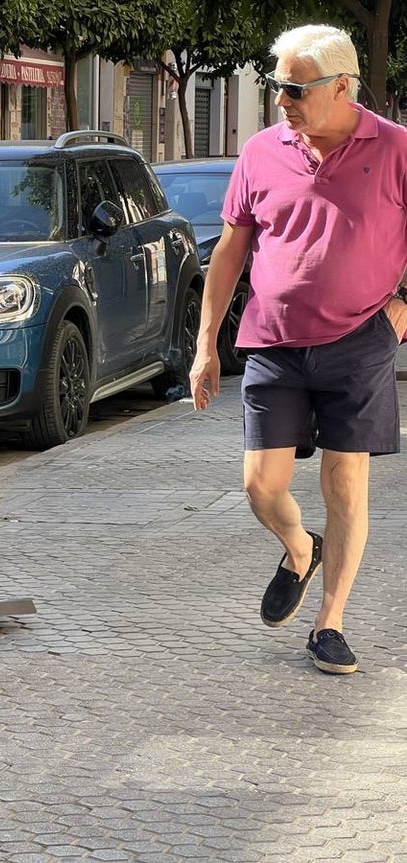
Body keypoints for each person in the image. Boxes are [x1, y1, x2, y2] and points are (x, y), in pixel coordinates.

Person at [190, 24, 407, 675]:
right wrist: (205, 346)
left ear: (343, 87)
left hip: (360, 343)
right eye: (275, 87)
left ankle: (329, 621)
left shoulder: (396, 149)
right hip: (273, 345)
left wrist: (402, 313)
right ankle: (297, 547)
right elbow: (229, 252)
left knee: (345, 483)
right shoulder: (260, 153)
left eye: (292, 88)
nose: (280, 100)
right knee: (261, 485)